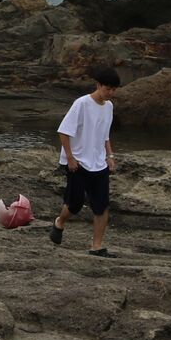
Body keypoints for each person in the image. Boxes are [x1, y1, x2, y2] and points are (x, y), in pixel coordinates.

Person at [52, 66, 119, 256]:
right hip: (79, 162)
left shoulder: (109, 107)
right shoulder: (81, 104)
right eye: (108, 89)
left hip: (99, 163)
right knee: (74, 204)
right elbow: (64, 132)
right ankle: (60, 221)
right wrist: (70, 158)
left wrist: (110, 156)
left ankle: (96, 247)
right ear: (98, 85)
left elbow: (105, 135)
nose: (111, 93)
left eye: (114, 90)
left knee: (102, 205)